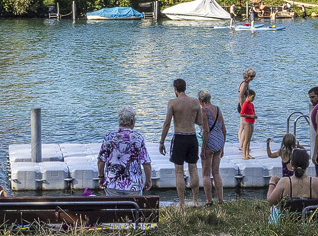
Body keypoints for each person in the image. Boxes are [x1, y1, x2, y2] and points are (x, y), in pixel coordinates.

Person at [157, 78, 202, 206]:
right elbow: (200, 122)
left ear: (175, 89)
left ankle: (182, 203)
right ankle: (195, 200)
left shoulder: (172, 103)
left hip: (179, 137)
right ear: (185, 88)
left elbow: (167, 123)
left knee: (179, 171)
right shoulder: (195, 102)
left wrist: (162, 142)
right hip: (192, 137)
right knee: (193, 169)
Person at [266, 147, 318, 223]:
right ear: (308, 164)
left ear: (291, 163)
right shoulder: (316, 182)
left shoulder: (284, 182)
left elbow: (270, 202)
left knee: (273, 209)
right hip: (311, 222)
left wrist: (272, 183)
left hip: (288, 223)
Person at [97, 107, 152, 196]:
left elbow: (101, 161)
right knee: (132, 209)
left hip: (112, 184)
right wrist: (148, 180)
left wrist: (101, 177)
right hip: (133, 186)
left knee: (114, 210)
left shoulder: (109, 136)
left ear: (120, 121)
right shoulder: (138, 138)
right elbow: (146, 163)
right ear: (132, 122)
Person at [197, 90, 227, 205]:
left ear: (201, 100)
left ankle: (209, 201)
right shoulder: (218, 109)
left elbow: (206, 131)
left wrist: (203, 149)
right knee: (216, 173)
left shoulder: (204, 110)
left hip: (210, 142)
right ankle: (220, 200)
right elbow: (224, 129)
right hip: (219, 141)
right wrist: (222, 146)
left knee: (206, 174)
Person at [238, 86, 257, 160]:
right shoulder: (245, 103)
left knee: (249, 138)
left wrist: (254, 116)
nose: (253, 99)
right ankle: (244, 154)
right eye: (252, 97)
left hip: (252, 122)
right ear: (248, 96)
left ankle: (248, 153)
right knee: (246, 139)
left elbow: (253, 112)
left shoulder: (251, 104)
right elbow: (241, 114)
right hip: (247, 122)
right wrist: (251, 116)